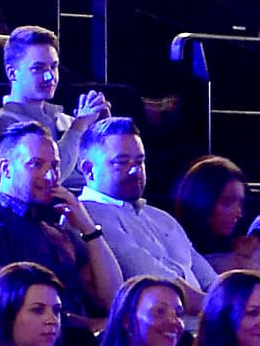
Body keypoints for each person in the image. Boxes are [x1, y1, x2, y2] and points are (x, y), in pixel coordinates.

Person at [0, 118, 124, 321]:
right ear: (6, 168)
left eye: (55, 166)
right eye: (36, 164)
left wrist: (88, 229)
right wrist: (91, 327)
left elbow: (111, 298)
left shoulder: (55, 227)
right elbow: (12, 306)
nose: (50, 176)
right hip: (46, 339)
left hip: (81, 339)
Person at [69, 115, 218, 298]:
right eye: (122, 162)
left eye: (139, 161)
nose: (135, 170)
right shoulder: (86, 215)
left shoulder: (161, 217)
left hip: (204, 319)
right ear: (88, 169)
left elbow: (210, 281)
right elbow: (160, 286)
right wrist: (222, 309)